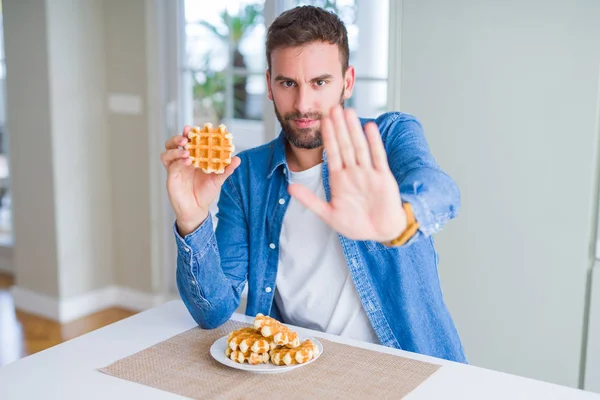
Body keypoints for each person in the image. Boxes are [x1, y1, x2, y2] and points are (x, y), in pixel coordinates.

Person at [161, 5, 466, 363]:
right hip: (299, 369)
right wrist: (192, 219)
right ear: (270, 85)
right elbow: (212, 313)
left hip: (405, 365)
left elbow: (441, 189)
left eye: (320, 82)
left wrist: (399, 223)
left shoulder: (389, 136)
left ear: (347, 81)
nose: (303, 104)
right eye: (288, 83)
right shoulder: (244, 176)